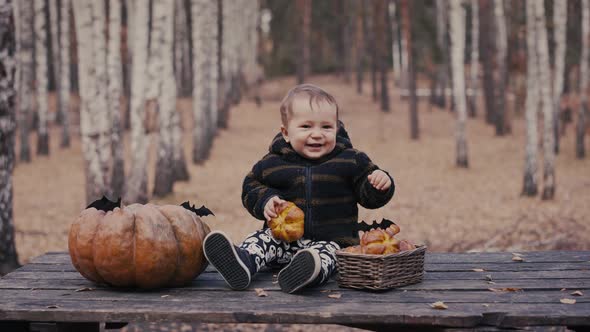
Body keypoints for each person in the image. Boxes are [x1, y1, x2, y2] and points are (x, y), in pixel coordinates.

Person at [203, 84, 395, 293]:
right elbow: (250, 186)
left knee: (326, 256)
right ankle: (243, 263)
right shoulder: (273, 163)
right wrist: (265, 199)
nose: (317, 134)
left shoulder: (351, 160)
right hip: (282, 242)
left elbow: (368, 195)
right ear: (286, 132)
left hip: (332, 242)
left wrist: (380, 184)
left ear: (337, 128)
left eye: (326, 127)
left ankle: (305, 273)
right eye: (306, 127)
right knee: (261, 240)